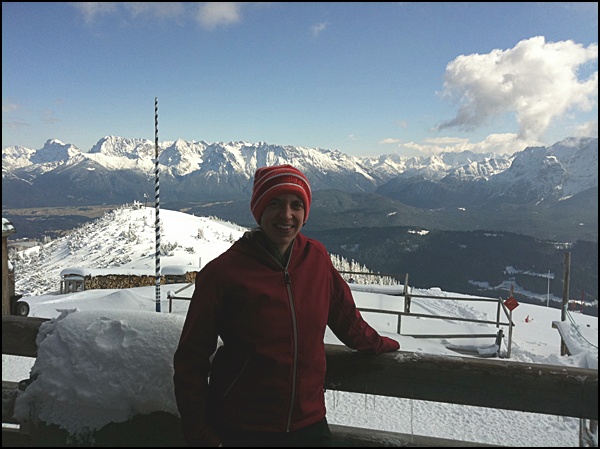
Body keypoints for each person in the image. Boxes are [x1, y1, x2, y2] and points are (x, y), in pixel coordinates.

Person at [173, 164, 400, 447]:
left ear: (305, 213)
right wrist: (202, 437)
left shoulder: (316, 258)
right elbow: (190, 362)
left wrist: (378, 344)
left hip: (310, 423)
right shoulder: (223, 274)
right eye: (275, 204)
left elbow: (346, 318)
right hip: (242, 426)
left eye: (296, 205)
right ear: (259, 210)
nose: (286, 215)